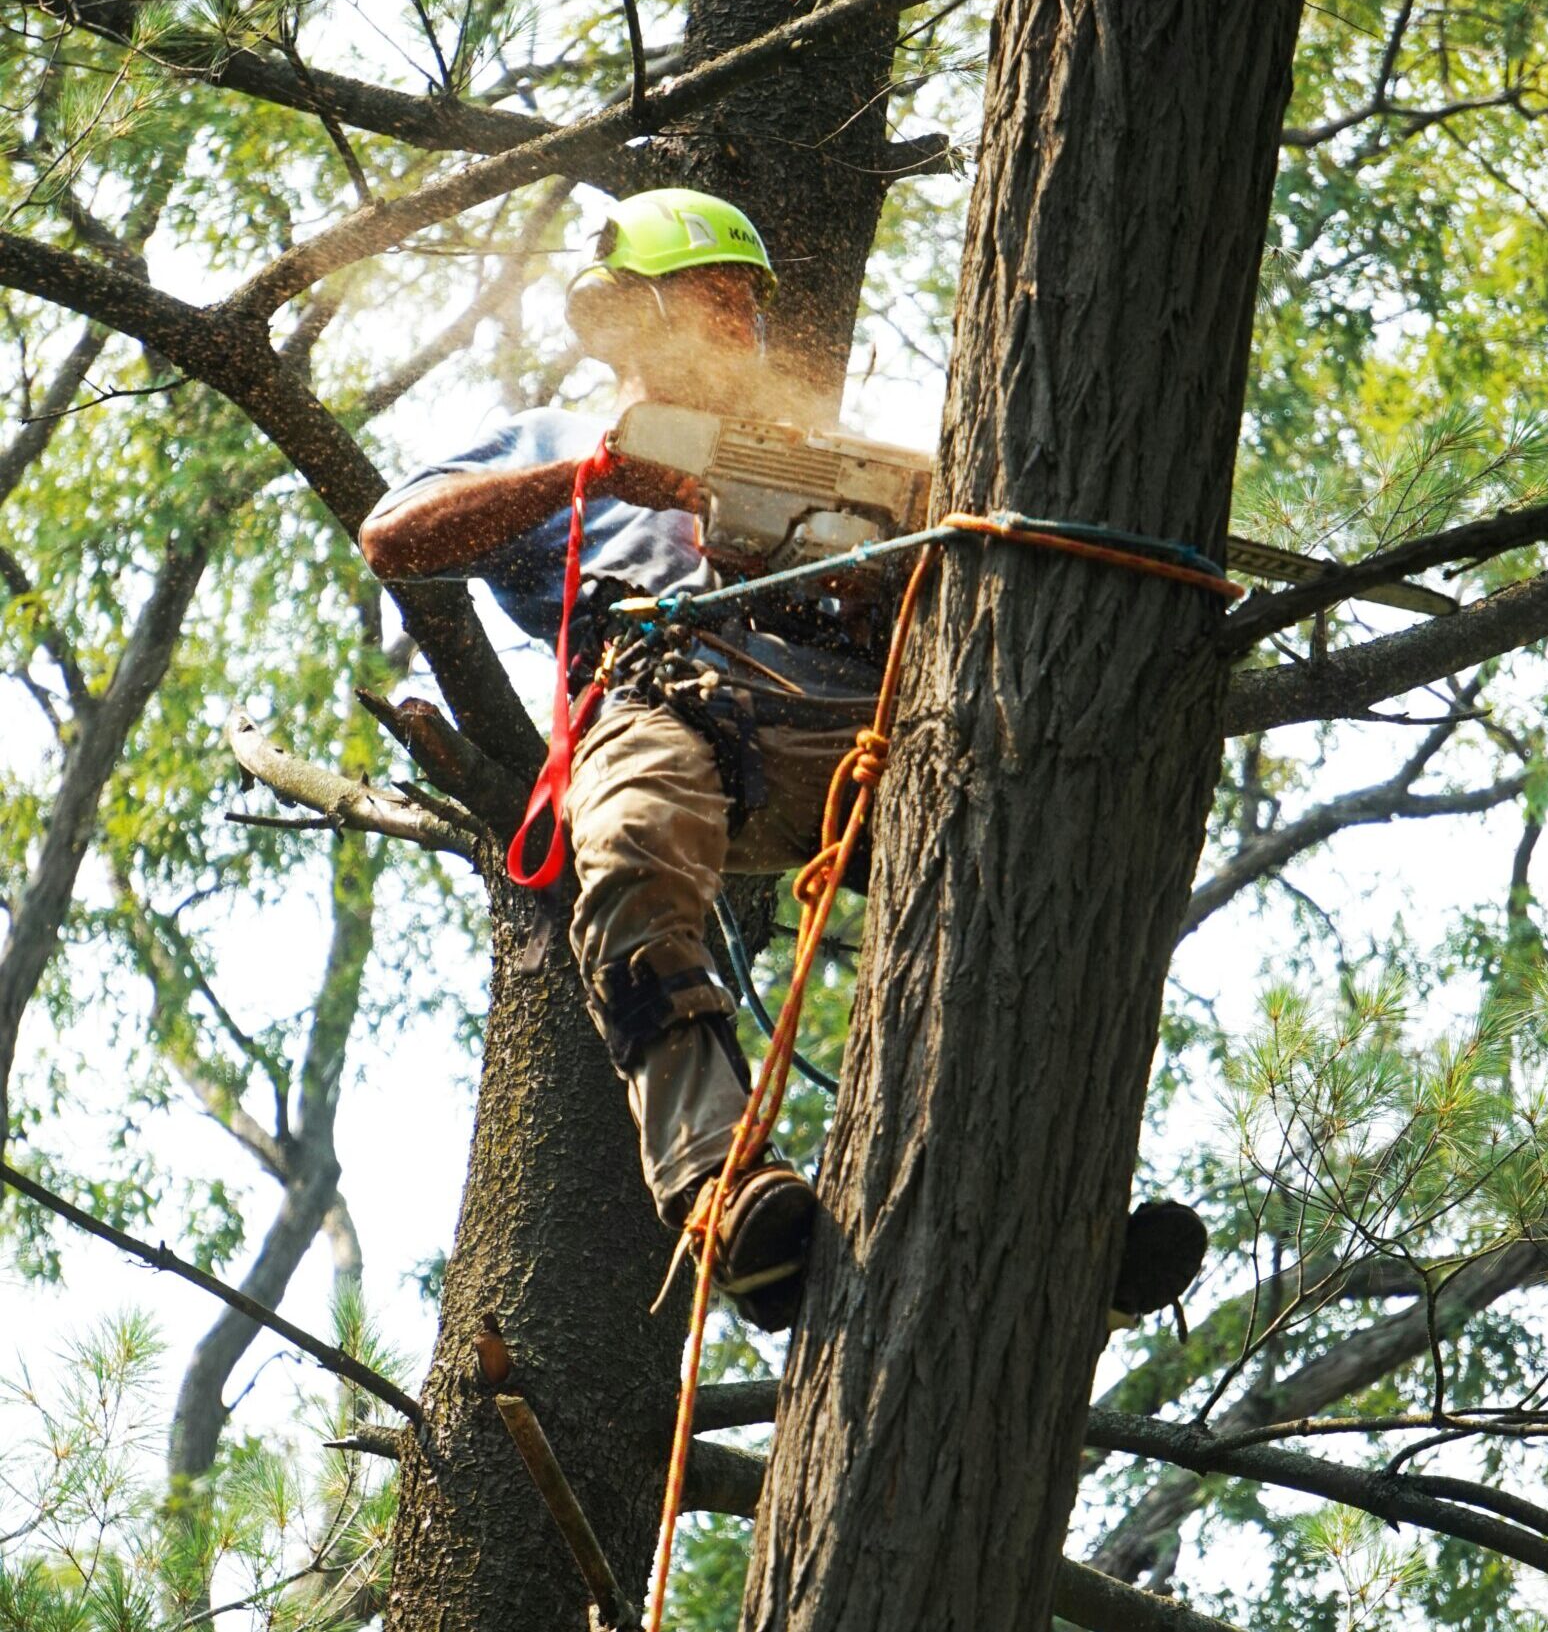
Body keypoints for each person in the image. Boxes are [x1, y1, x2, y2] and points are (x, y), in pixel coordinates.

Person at [360, 187, 1208, 1335]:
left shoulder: (820, 458)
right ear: (626, 316)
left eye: (750, 306)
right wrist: (603, 476)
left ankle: (1052, 1204)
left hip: (853, 719)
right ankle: (722, 1191)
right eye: (713, 299)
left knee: (1024, 859)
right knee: (634, 846)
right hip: (667, 699)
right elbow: (395, 540)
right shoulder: (554, 445)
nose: (740, 326)